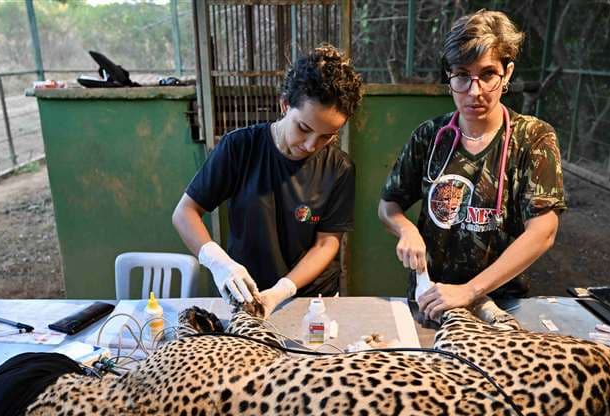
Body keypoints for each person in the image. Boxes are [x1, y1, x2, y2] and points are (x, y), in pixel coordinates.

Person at [378, 9, 566, 322]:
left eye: (488, 74)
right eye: (462, 75)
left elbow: (543, 231)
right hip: (431, 299)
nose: (474, 91)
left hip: (501, 304)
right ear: (449, 76)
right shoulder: (429, 136)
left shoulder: (533, 138)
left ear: (507, 74)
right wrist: (405, 229)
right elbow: (388, 206)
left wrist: (470, 290)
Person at [173, 45, 362, 318]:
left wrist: (283, 289)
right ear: (285, 104)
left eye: (327, 136)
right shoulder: (239, 147)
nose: (311, 145)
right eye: (304, 128)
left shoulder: (339, 168)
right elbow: (185, 213)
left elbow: (327, 243)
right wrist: (220, 264)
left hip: (311, 303)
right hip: (246, 297)